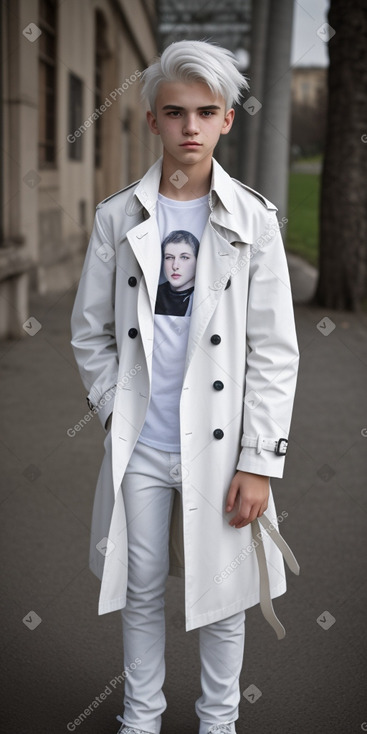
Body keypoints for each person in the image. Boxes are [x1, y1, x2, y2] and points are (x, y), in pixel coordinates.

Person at [70, 39, 300, 734]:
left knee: (224, 596)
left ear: (228, 119)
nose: (190, 128)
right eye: (175, 113)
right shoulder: (118, 218)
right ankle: (140, 719)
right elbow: (89, 333)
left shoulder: (253, 220)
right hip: (141, 445)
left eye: (206, 112)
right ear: (151, 120)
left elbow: (274, 350)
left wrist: (259, 460)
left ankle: (218, 722)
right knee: (140, 589)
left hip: (224, 449)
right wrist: (117, 411)